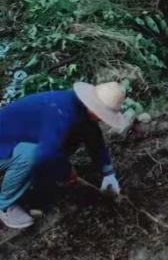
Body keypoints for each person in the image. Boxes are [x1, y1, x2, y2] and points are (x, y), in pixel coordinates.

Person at [0, 81, 129, 230]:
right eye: (102, 115)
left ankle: (37, 180)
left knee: (64, 143)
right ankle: (4, 204)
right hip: (4, 146)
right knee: (33, 155)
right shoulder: (61, 112)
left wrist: (108, 173)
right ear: (93, 108)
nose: (102, 119)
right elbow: (46, 154)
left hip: (20, 141)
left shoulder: (78, 107)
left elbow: (94, 138)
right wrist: (66, 172)